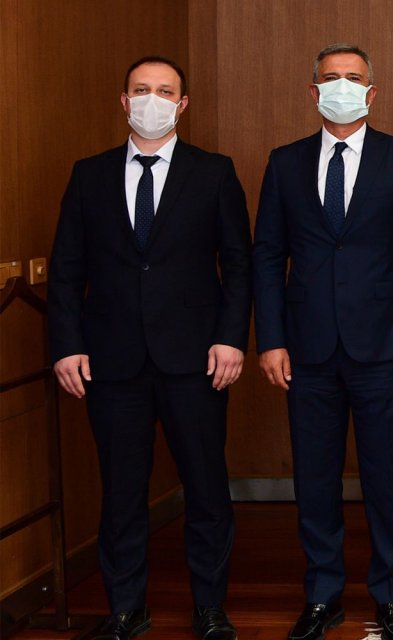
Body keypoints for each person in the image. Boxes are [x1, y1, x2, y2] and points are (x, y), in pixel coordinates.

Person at [48, 56, 250, 640]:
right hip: (111, 362)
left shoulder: (214, 172)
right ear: (124, 100)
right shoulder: (89, 175)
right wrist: (66, 345)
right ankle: (125, 609)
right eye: (142, 89)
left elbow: (238, 265)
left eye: (165, 91)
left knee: (206, 489)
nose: (152, 100)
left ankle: (209, 607)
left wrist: (231, 338)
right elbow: (66, 270)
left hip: (196, 360)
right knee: (121, 493)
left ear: (182, 105)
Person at [252, 43, 393, 640]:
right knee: (315, 478)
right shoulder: (284, 163)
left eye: (354, 78)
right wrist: (270, 339)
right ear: (313, 92)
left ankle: (391, 595)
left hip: (382, 347)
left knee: (384, 476)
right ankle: (323, 595)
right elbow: (267, 256)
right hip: (306, 349)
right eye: (331, 78)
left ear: (371, 93)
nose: (342, 86)